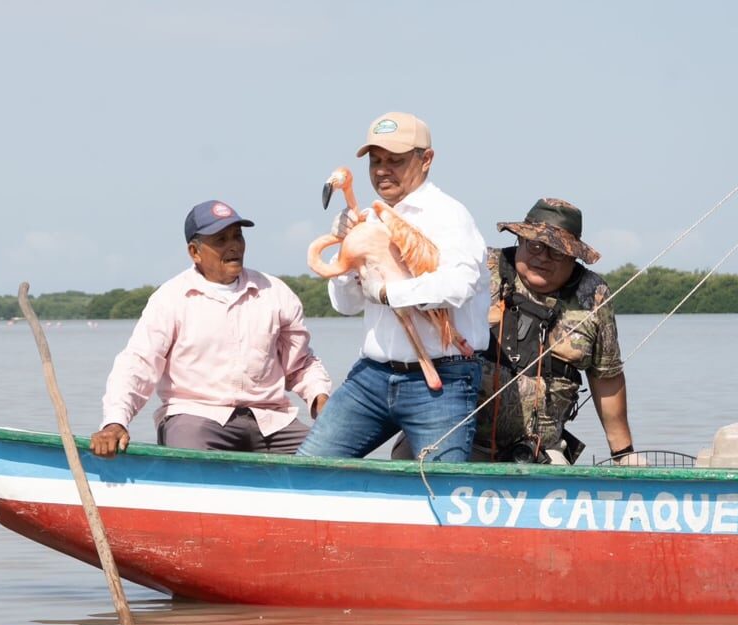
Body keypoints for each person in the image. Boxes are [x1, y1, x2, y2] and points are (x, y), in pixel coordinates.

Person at [296, 112, 490, 462]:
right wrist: (346, 247)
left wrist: (389, 294)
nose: (383, 170)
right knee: (307, 468)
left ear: (426, 159)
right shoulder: (368, 217)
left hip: (442, 378)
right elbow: (346, 305)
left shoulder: (448, 215)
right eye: (376, 161)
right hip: (372, 375)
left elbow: (459, 285)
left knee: (440, 486)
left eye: (395, 161)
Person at [91, 200, 332, 456]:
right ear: (195, 252)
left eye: (237, 236)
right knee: (191, 457)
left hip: (271, 421)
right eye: (221, 239)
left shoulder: (275, 293)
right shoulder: (170, 298)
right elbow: (137, 364)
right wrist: (115, 421)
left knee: (330, 454)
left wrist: (321, 399)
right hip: (196, 416)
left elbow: (300, 364)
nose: (234, 246)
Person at [475, 197, 638, 465]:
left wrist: (623, 454)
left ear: (573, 256)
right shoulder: (482, 267)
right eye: (535, 245)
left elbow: (606, 377)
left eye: (557, 251)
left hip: (541, 452)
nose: (543, 257)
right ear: (520, 240)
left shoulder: (594, 295)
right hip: (461, 440)